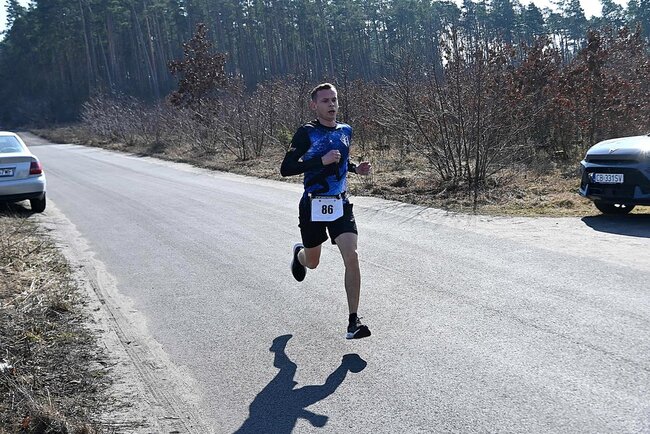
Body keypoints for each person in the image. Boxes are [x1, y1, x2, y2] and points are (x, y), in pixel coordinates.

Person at [280, 83, 372, 340]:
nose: (331, 104)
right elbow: (286, 168)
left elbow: (341, 160)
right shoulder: (306, 133)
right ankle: (299, 255)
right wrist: (320, 161)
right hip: (313, 204)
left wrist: (355, 169)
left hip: (340, 204)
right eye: (325, 101)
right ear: (314, 105)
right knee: (313, 262)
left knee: (352, 256)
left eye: (334, 99)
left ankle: (353, 322)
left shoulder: (346, 130)